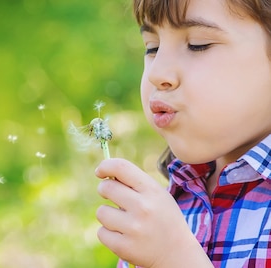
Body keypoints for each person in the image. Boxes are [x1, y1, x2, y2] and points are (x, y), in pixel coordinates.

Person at [93, 0, 271, 267]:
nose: (156, 73)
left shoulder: (166, 240)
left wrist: (174, 258)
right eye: (152, 48)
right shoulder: (163, 211)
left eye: (198, 44)